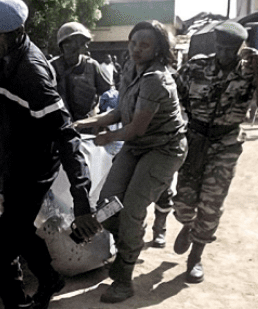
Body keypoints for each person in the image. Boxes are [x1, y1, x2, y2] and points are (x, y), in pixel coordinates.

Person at [0, 0, 100, 309]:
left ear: (18, 32)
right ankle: (50, 279)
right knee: (20, 230)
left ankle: (18, 304)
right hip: (9, 158)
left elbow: (67, 136)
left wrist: (82, 201)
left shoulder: (33, 73)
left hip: (35, 168)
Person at [74, 20, 187, 303]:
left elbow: (135, 127)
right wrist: (81, 124)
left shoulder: (156, 79)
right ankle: (131, 238)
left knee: (130, 212)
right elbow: (119, 112)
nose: (137, 49)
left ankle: (123, 280)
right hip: (137, 146)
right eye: (133, 42)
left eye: (145, 45)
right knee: (107, 206)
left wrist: (103, 137)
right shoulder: (130, 69)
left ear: (158, 49)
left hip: (164, 149)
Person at [172, 21, 258, 284]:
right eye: (220, 48)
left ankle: (196, 256)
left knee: (211, 203)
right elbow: (176, 94)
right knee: (183, 202)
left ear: (241, 48)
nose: (224, 54)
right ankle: (187, 224)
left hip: (226, 144)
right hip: (195, 139)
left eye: (230, 50)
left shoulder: (251, 72)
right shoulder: (196, 65)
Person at [49, 22, 111, 124]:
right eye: (69, 42)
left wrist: (100, 117)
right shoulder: (51, 67)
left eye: (80, 43)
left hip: (87, 124)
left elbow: (108, 93)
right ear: (62, 45)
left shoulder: (92, 66)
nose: (74, 47)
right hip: (60, 125)